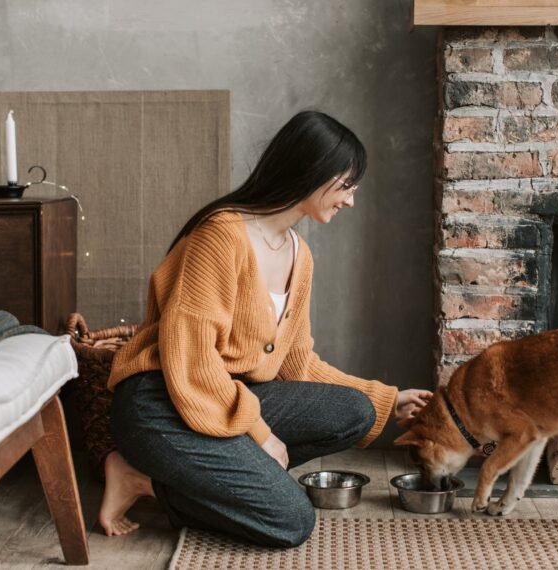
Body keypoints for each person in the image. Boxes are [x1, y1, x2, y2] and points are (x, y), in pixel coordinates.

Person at [98, 110, 433, 547]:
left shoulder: (300, 254)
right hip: (161, 402)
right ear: (312, 173)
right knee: (292, 521)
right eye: (346, 185)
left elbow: (297, 363)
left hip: (225, 397)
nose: (351, 200)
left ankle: (187, 480)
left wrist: (387, 400)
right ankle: (141, 478)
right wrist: (260, 432)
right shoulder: (221, 235)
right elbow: (194, 363)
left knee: (356, 412)